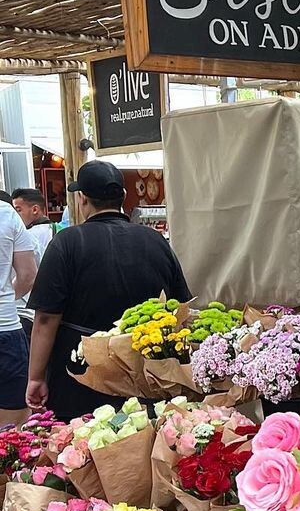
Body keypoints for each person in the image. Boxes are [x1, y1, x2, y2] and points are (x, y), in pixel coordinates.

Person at [27, 160, 191, 421]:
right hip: (144, 368)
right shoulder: (155, 240)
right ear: (123, 196)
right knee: (147, 432)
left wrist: (36, 377)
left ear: (82, 199)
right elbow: (181, 307)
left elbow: (46, 318)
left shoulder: (67, 242)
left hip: (80, 373)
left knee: (82, 441)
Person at [0, 197, 37, 424]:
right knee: (12, 431)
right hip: (5, 327)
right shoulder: (6, 213)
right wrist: (5, 299)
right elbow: (28, 275)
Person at [11, 187, 56, 264]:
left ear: (35, 210)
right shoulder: (58, 229)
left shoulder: (26, 235)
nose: (14, 215)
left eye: (18, 210)